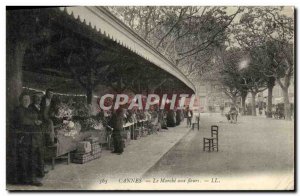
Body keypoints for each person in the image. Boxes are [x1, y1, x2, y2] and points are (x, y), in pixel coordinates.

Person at [13, 92, 44, 186]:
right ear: (20, 100)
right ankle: (29, 179)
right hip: (22, 137)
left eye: (28, 99)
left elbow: (32, 119)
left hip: (31, 137)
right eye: (24, 99)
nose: (27, 101)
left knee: (32, 157)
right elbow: (23, 121)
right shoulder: (18, 110)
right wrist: (34, 122)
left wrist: (37, 121)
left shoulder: (28, 109)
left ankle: (31, 178)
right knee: (26, 158)